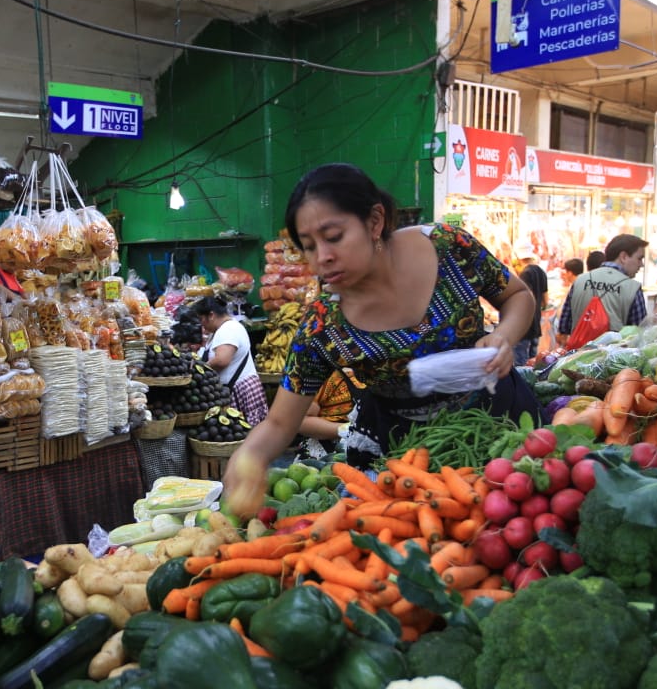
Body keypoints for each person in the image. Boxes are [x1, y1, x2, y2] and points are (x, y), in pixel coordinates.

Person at [223, 163, 538, 516]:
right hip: (404, 463)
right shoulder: (323, 326)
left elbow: (518, 296)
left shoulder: (449, 247)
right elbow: (281, 422)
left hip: (499, 427)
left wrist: (503, 336)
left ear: (375, 221)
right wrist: (249, 455)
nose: (322, 257)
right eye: (309, 246)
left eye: (334, 236)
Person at [557, 234, 650, 346]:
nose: (642, 264)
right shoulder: (632, 288)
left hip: (576, 357)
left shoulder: (580, 280)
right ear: (624, 256)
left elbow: (564, 326)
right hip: (612, 360)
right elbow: (640, 335)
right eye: (639, 258)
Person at [194, 296, 269, 425]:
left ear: (211, 315)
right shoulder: (221, 329)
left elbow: (221, 360)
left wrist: (201, 367)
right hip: (234, 389)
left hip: (240, 392)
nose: (201, 324)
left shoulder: (228, 329)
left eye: (201, 319)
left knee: (246, 435)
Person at [514, 251, 548, 365]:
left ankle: (524, 382)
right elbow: (545, 301)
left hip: (525, 326)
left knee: (521, 362)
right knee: (533, 361)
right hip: (536, 324)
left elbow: (526, 299)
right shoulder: (541, 272)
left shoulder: (525, 274)